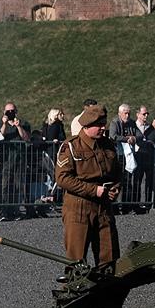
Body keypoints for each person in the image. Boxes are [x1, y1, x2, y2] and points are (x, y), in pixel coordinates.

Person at [54, 105, 121, 265]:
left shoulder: (108, 145)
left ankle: (106, 290)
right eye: (99, 125)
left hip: (103, 208)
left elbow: (118, 172)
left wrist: (115, 188)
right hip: (79, 209)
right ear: (87, 125)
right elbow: (62, 178)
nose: (103, 128)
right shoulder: (71, 146)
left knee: (110, 260)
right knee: (76, 263)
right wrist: (94, 190)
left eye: (104, 123)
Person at [0, 102, 31, 221]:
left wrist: (18, 126)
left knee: (17, 185)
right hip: (5, 159)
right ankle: (4, 211)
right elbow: (0, 136)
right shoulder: (0, 123)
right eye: (8, 111)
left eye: (12, 111)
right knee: (5, 186)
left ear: (16, 111)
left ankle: (15, 210)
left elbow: (26, 138)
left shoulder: (23, 123)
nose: (10, 113)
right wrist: (5, 123)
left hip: (19, 159)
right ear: (4, 112)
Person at [109, 103, 138, 212]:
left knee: (127, 181)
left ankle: (126, 206)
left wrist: (133, 138)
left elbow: (139, 134)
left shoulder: (131, 123)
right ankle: (114, 206)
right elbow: (113, 136)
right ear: (120, 113)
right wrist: (127, 139)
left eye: (129, 113)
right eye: (125, 113)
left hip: (128, 157)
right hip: (117, 156)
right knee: (116, 181)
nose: (127, 115)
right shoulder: (114, 122)